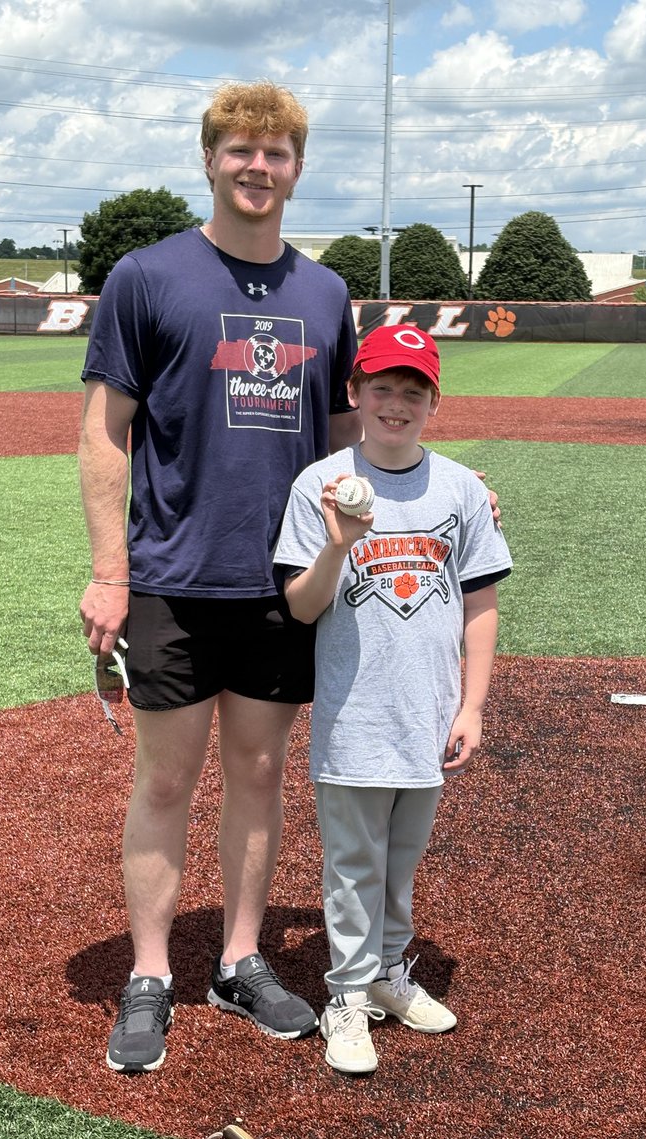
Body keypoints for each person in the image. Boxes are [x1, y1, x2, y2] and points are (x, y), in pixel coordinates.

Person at [78, 80, 362, 1072]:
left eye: (276, 152)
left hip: (281, 585)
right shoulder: (148, 278)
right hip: (169, 576)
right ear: (209, 160)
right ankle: (151, 970)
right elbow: (105, 436)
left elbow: (343, 446)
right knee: (165, 779)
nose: (258, 167)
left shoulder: (326, 295)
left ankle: (240, 960)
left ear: (296, 167)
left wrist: (439, 500)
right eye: (240, 151)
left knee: (257, 773)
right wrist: (109, 573)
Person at [273, 325, 513, 1073]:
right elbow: (301, 607)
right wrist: (339, 542)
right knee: (352, 864)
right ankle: (345, 994)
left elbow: (481, 603)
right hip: (354, 712)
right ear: (354, 393)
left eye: (414, 391)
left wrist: (471, 704)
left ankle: (385, 970)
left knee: (401, 860)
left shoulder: (462, 488)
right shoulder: (318, 485)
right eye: (382, 387)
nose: (396, 404)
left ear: (434, 402)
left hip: (426, 711)